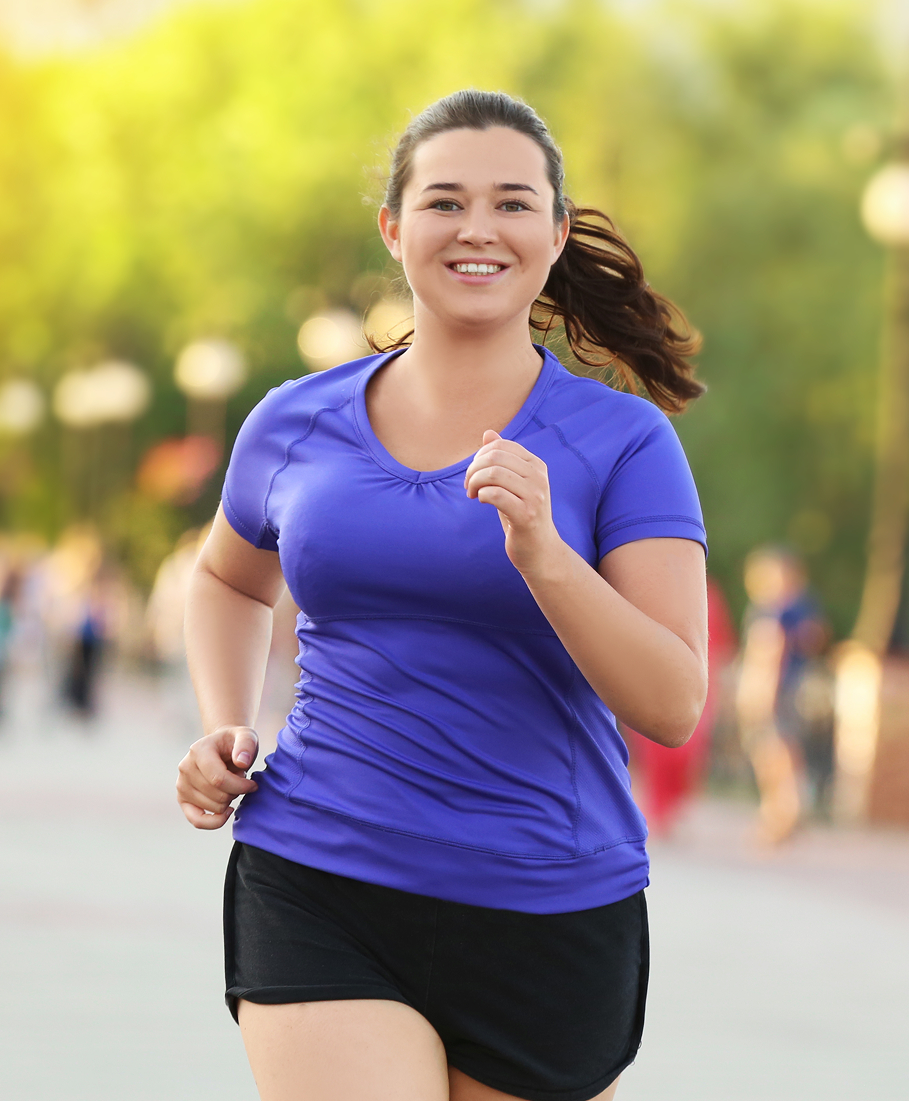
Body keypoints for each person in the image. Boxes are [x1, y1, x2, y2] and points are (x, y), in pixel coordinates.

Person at [177, 90, 708, 1101]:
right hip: (318, 872)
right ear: (394, 226)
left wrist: (547, 556)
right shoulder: (294, 421)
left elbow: (673, 704)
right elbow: (224, 578)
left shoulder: (627, 445)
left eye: (512, 204)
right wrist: (223, 725)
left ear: (554, 235)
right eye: (444, 201)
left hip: (548, 907)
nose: (477, 229)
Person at [735, 545, 830, 844]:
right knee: (780, 750)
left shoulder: (778, 610)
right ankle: (785, 809)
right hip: (787, 686)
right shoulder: (795, 606)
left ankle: (782, 813)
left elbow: (769, 653)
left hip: (775, 688)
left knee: (773, 752)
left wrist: (761, 692)